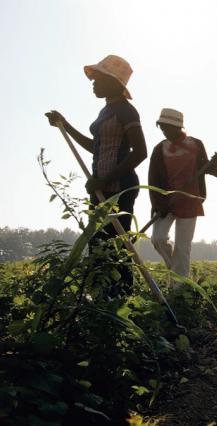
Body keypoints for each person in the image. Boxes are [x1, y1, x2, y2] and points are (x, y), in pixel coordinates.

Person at [45, 54, 146, 297]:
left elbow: (140, 152)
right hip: (100, 188)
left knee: (117, 247)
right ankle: (102, 300)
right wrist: (65, 125)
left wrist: (106, 178)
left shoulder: (126, 111)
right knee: (99, 246)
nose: (93, 82)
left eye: (98, 78)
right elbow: (96, 147)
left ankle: (122, 299)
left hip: (119, 188)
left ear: (115, 82)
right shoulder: (106, 111)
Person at [148, 108, 217, 288]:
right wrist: (158, 203)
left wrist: (214, 163)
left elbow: (210, 170)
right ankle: (173, 267)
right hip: (167, 203)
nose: (164, 131)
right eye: (162, 127)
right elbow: (153, 179)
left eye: (167, 127)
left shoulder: (196, 144)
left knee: (182, 247)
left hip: (190, 201)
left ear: (177, 127)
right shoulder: (160, 149)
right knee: (157, 238)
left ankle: (178, 290)